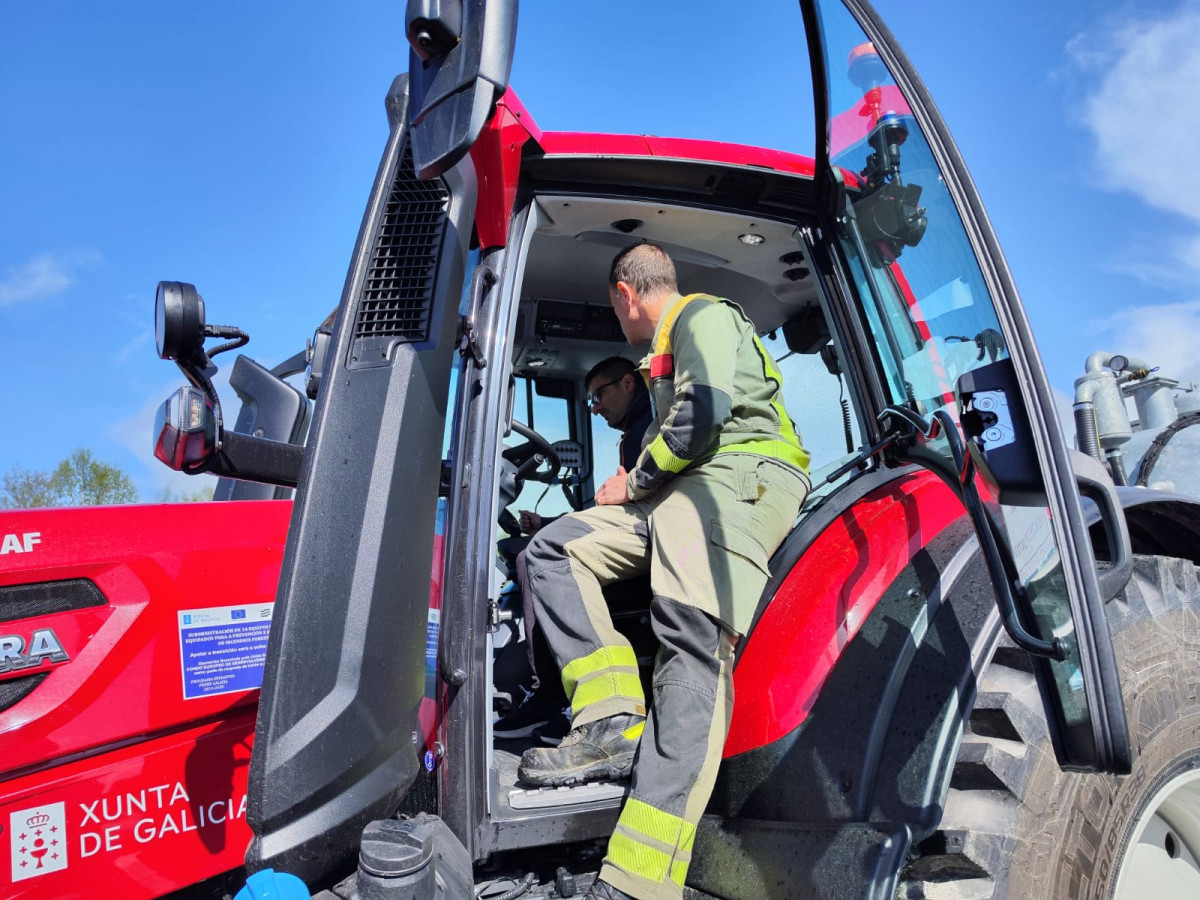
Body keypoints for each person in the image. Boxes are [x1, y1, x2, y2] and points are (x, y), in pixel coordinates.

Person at [517, 243, 811, 900]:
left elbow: (703, 416)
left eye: (615, 309)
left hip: (739, 480)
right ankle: (610, 723)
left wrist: (638, 479)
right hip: (678, 492)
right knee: (551, 551)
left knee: (690, 638)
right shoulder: (659, 364)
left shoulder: (702, 316)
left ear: (627, 294)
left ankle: (638, 881)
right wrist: (640, 483)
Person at [494, 357, 654, 742]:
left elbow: (633, 506)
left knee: (535, 557)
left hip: (656, 539)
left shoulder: (648, 427)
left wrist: (548, 533)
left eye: (599, 395)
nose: (595, 407)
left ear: (628, 384)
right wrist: (549, 524)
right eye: (590, 401)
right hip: (643, 529)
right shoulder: (638, 429)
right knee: (532, 545)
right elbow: (618, 507)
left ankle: (552, 695)